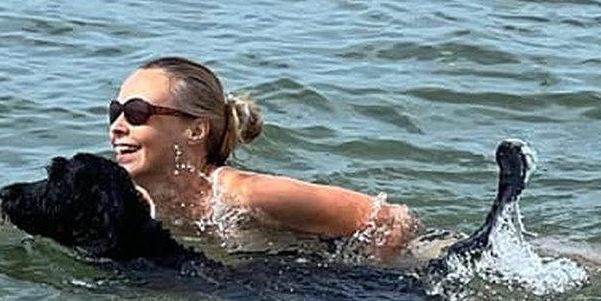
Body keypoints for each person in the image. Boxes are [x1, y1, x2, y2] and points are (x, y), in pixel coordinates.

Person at [108, 56, 419, 261]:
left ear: (196, 130)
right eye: (115, 112)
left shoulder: (243, 195)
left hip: (422, 267)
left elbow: (390, 220)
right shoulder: (135, 201)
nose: (117, 127)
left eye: (137, 113)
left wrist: (363, 295)